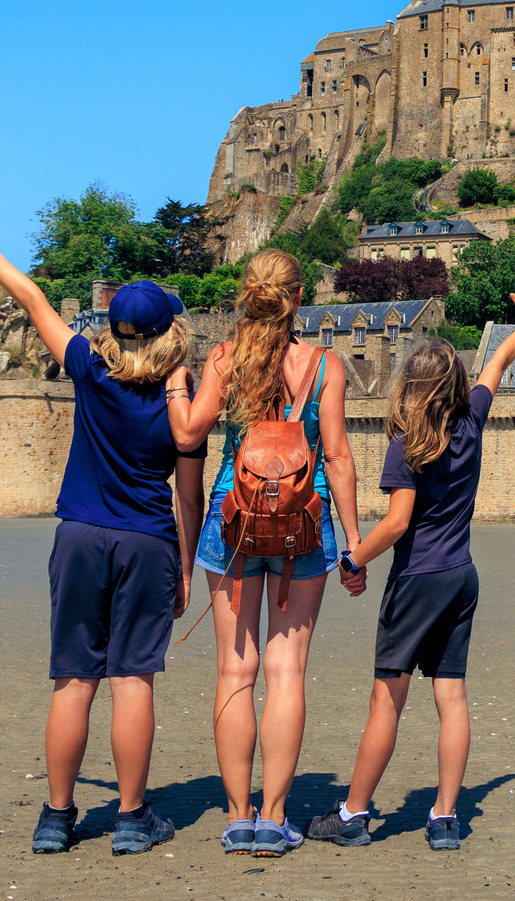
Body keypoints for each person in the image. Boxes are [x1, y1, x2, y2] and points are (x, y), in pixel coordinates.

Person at [0, 204, 200, 857]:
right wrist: (187, 568)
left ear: (113, 327)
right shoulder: (179, 397)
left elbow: (33, 299)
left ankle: (56, 818)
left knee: (74, 679)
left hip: (80, 534)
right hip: (148, 540)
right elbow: (188, 495)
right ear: (169, 331)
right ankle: (132, 820)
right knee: (134, 679)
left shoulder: (87, 367)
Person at [307, 280, 515, 852]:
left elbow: (396, 524)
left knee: (387, 699)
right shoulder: (471, 423)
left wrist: (350, 559)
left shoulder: (407, 444)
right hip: (461, 576)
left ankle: (353, 815)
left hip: (417, 579)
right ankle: (445, 817)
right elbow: (495, 365)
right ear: (456, 385)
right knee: (451, 696)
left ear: (409, 386)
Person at [176, 249, 362, 858]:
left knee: (235, 671)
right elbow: (335, 456)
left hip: (232, 518)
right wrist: (354, 541)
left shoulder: (226, 359)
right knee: (286, 673)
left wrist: (178, 380)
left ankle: (237, 817)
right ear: (298, 298)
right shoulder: (323, 364)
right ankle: (275, 818)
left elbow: (189, 433)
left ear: (246, 295)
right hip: (304, 524)